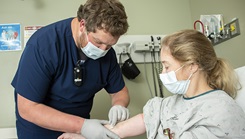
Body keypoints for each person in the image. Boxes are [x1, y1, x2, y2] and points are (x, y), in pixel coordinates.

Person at [58, 29, 245, 139]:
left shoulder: (221, 111)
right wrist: (85, 136)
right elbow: (142, 120)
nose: (162, 73)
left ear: (192, 67)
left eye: (166, 66)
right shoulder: (171, 103)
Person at [11, 0, 130, 139]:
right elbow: (27, 108)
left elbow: (120, 92)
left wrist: (119, 105)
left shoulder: (107, 55)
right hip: (39, 131)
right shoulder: (44, 45)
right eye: (98, 42)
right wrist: (82, 126)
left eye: (109, 46)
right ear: (83, 25)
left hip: (78, 132)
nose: (103, 50)